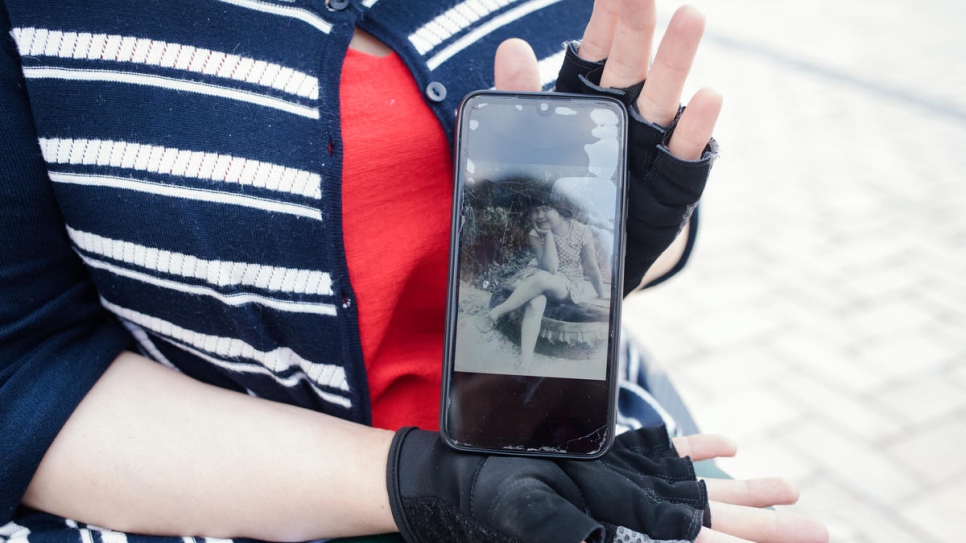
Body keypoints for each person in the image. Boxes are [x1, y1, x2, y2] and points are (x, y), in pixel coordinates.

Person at [0, 0, 828, 542]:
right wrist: (419, 479)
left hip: (578, 455)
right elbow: (24, 372)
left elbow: (654, 226)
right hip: (195, 496)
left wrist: (620, 249)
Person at [484, 200, 608, 368]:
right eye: (535, 211)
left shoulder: (580, 231)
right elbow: (549, 267)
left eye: (546, 209)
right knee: (535, 304)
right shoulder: (535, 234)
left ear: (559, 210)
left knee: (542, 278)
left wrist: (601, 294)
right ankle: (525, 363)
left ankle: (498, 311)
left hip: (568, 283)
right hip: (541, 277)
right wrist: (547, 235)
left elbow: (590, 266)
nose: (540, 215)